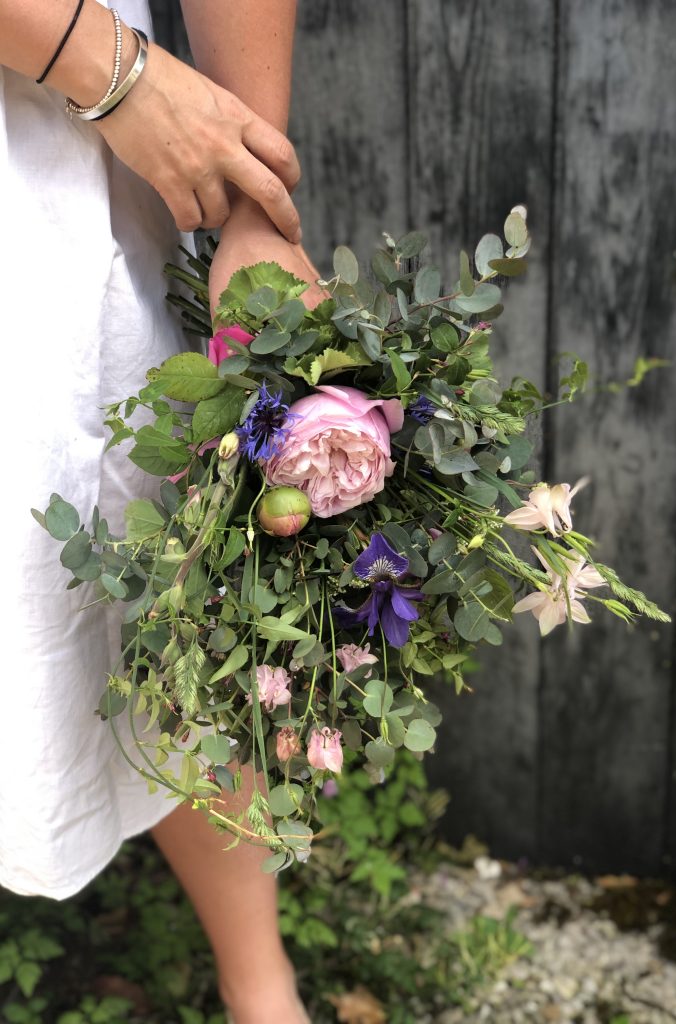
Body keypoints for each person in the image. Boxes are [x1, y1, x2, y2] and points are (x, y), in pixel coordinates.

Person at [0, 2, 322, 1020]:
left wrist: (253, 206)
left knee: (169, 592)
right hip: (98, 88)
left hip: (63, 161)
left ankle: (258, 980)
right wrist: (114, 71)